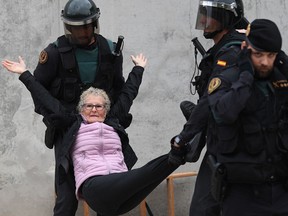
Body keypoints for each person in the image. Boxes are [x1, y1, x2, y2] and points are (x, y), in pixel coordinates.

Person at [2, 53, 187, 216]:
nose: (93, 110)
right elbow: (48, 101)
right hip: (95, 187)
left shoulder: (113, 122)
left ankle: (186, 145)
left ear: (106, 110)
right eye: (88, 106)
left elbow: (128, 94)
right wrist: (25, 74)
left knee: (155, 172)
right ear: (81, 109)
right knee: (145, 172)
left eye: (98, 106)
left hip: (121, 192)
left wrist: (139, 68)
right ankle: (180, 147)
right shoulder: (73, 125)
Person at [31, 0, 130, 215]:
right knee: (66, 194)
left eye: (86, 26)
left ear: (94, 24)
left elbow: (117, 87)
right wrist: (54, 117)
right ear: (68, 27)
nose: (81, 32)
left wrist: (115, 118)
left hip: (101, 127)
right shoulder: (54, 53)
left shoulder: (111, 51)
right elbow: (38, 90)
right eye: (75, 28)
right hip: (67, 130)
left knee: (109, 187)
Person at [169, 0, 250, 215]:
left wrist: (181, 140)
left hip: (234, 148)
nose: (203, 20)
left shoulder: (231, 53)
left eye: (209, 14)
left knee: (203, 210)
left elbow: (208, 102)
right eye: (203, 14)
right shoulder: (225, 49)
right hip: (226, 144)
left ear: (226, 18)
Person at [206, 18, 288, 215]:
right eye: (258, 54)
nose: (265, 62)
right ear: (245, 47)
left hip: (281, 192)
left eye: (271, 55)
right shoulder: (227, 79)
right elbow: (225, 113)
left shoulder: (281, 80)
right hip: (242, 196)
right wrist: (246, 77)